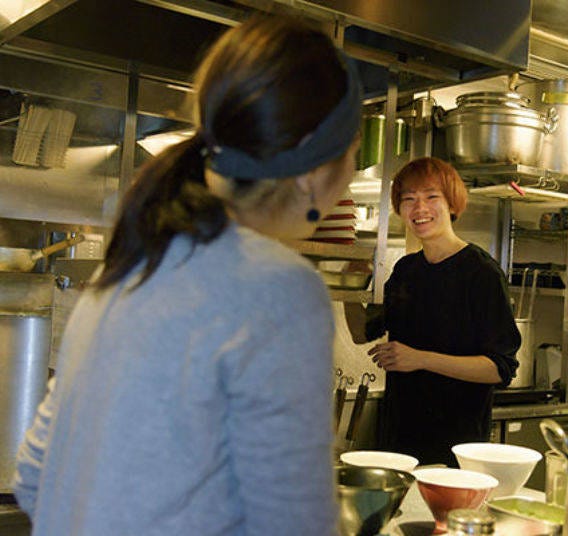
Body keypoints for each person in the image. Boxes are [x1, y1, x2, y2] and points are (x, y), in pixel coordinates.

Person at [14, 14, 361, 536]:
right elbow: (294, 525)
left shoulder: (130, 264)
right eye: (353, 150)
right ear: (314, 172)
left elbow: (33, 479)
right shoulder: (281, 289)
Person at [346, 157, 521, 467]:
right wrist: (348, 287)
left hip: (455, 448)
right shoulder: (406, 270)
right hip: (399, 440)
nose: (419, 208)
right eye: (409, 199)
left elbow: (500, 368)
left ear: (452, 203)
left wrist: (420, 358)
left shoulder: (481, 273)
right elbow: (362, 332)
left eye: (431, 197)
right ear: (400, 210)